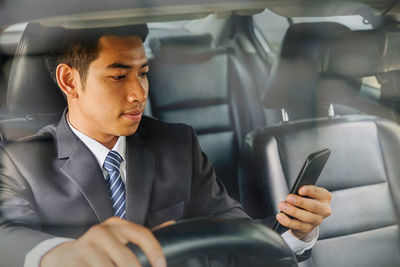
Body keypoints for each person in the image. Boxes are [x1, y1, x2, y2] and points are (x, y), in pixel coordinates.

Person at [0, 23, 332, 267]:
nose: (139, 93)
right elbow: (8, 235)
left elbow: (233, 234)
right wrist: (57, 254)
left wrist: (296, 233)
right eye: (118, 76)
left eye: (142, 73)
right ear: (69, 80)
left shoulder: (177, 143)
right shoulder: (19, 160)